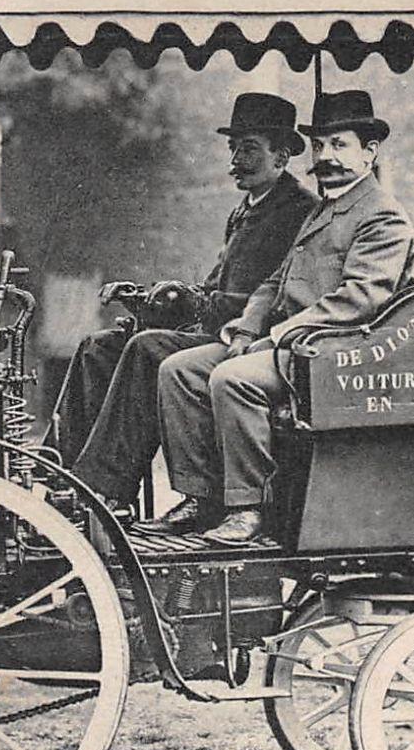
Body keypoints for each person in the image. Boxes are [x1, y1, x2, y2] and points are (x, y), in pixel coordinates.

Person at [148, 90, 414, 544]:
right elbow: (276, 281)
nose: (326, 156)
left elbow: (360, 298)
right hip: (290, 345)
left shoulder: (381, 216)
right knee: (179, 370)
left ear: (369, 152)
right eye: (320, 146)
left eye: (340, 145)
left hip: (332, 350)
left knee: (232, 379)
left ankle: (248, 508)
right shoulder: (324, 209)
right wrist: (244, 327)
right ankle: (200, 496)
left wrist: (278, 335)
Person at [58, 93, 317, 504]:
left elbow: (267, 297)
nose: (235, 161)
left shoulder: (299, 211)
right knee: (99, 347)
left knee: (147, 349)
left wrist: (189, 300)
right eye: (233, 149)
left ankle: (102, 489)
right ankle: (62, 472)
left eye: (249, 149)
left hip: (249, 339)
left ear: (282, 156)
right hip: (213, 326)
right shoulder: (247, 209)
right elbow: (214, 286)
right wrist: (155, 299)